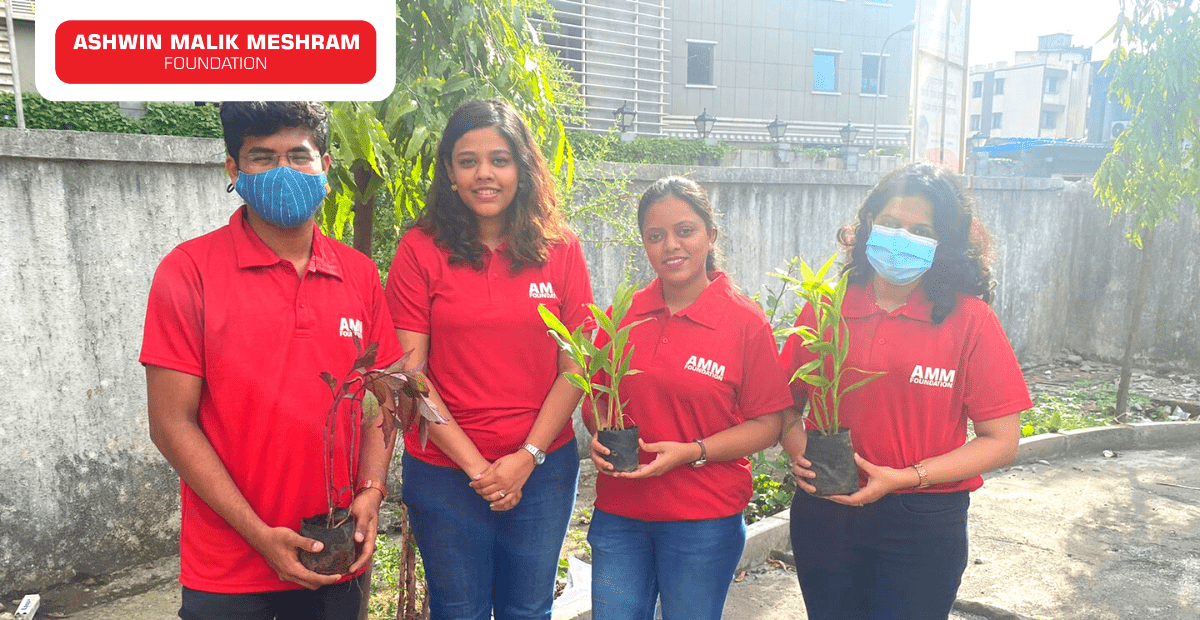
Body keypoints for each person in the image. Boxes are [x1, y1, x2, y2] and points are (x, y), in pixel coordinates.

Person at [141, 101, 402, 620]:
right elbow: (171, 424)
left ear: (325, 168)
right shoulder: (188, 272)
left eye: (299, 155)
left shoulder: (358, 275)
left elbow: (385, 399)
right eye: (262, 157)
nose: (284, 171)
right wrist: (259, 536)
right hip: (229, 569)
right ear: (234, 170)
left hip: (337, 553)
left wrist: (372, 490)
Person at [780, 163, 1033, 620]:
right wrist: (802, 453)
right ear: (867, 226)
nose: (901, 237)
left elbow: (1002, 440)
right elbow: (783, 406)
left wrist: (903, 477)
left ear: (944, 243)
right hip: (827, 512)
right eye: (891, 223)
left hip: (923, 520)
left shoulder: (969, 320)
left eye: (920, 230)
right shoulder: (827, 306)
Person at [384, 99, 594, 620]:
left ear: (522, 168)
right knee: (460, 612)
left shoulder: (561, 248)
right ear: (450, 173)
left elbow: (577, 367)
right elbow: (411, 375)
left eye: (499, 159)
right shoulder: (419, 249)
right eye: (467, 160)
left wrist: (526, 457)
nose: (484, 174)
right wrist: (478, 468)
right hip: (445, 470)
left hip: (542, 467)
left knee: (528, 609)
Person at [587, 176, 792, 620]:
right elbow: (596, 400)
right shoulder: (621, 315)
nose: (670, 246)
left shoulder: (743, 323)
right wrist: (598, 439)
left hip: (703, 517)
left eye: (685, 231)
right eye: (655, 236)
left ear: (710, 235)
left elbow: (767, 425)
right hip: (621, 513)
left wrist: (692, 452)